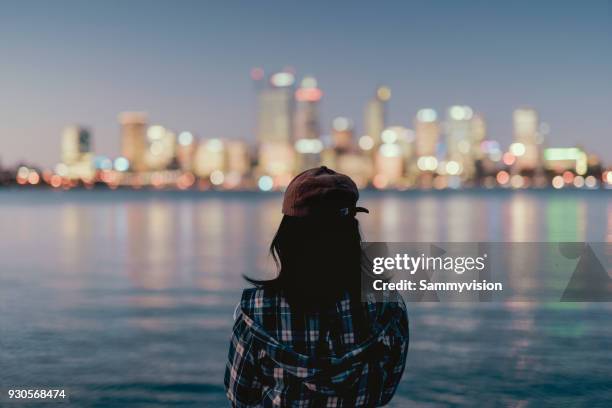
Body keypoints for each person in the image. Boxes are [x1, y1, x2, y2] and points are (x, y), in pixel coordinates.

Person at [224, 166, 409, 407]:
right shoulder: (388, 305)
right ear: (351, 233)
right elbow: (385, 391)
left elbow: (241, 397)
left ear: (288, 237)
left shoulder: (256, 310)